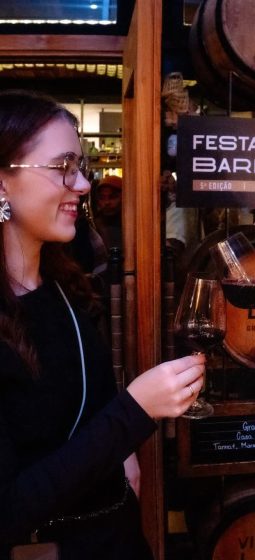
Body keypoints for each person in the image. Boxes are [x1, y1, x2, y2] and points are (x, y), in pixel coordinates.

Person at [0, 90, 205, 560]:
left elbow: (86, 400)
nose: (82, 184)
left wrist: (124, 452)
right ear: (2, 183)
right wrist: (135, 412)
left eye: (81, 166)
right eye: (62, 167)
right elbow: (7, 511)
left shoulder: (62, 285)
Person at [93, 174, 123, 252]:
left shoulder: (129, 223)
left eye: (113, 197)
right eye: (102, 197)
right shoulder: (94, 224)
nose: (106, 202)